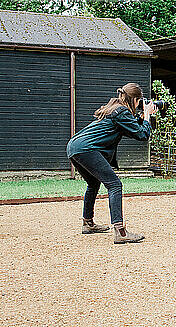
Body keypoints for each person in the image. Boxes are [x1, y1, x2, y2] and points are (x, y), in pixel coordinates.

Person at [67, 83, 157, 244]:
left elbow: (131, 128)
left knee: (93, 183)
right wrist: (148, 116)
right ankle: (120, 232)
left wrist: (142, 116)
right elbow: (142, 134)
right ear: (135, 100)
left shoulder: (115, 107)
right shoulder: (122, 112)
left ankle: (88, 223)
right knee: (115, 185)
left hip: (75, 146)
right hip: (86, 149)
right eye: (140, 101)